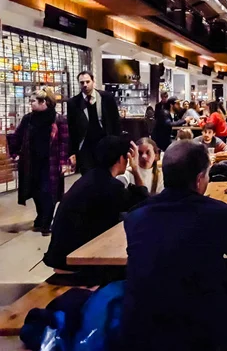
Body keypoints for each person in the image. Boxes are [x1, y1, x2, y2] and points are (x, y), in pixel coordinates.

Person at [120, 141, 227, 351]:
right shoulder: (217, 214)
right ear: (199, 179)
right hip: (198, 341)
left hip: (138, 336)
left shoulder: (136, 216)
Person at [44, 136, 149, 272]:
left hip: (61, 256)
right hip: (74, 263)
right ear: (123, 158)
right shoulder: (109, 185)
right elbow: (144, 203)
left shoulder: (92, 178)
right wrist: (135, 169)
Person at [9, 88, 69, 235]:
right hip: (31, 161)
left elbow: (64, 142)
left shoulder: (58, 120)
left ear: (45, 102)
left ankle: (46, 222)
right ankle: (41, 217)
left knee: (49, 192)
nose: (31, 104)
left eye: (33, 101)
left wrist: (64, 162)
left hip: (51, 162)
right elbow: (17, 135)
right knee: (36, 191)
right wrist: (14, 153)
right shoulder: (28, 119)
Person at [67, 70, 121, 174]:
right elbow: (72, 129)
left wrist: (117, 144)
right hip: (85, 147)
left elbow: (115, 122)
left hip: (104, 143)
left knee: (105, 174)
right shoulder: (73, 103)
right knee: (88, 177)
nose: (85, 85)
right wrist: (72, 152)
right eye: (82, 83)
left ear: (93, 81)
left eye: (87, 82)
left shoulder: (106, 98)